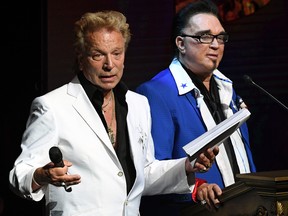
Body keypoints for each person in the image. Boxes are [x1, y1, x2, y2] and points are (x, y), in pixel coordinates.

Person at [8, 10, 220, 216]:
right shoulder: (52, 106)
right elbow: (19, 175)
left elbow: (144, 173)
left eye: (116, 53)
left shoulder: (138, 104)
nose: (110, 65)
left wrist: (188, 164)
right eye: (98, 55)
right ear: (81, 58)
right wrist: (41, 175)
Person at [136, 0, 256, 215]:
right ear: (181, 43)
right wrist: (195, 189)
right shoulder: (157, 93)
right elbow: (150, 171)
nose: (215, 45)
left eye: (220, 37)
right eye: (204, 36)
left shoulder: (228, 89)